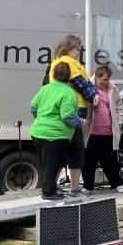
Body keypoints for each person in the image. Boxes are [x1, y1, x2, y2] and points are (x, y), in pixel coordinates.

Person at [49, 35, 99, 196]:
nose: (79, 52)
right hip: (74, 108)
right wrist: (94, 95)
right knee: (76, 151)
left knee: (60, 152)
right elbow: (82, 83)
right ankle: (75, 188)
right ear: (70, 48)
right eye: (78, 49)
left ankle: (52, 185)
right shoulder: (68, 62)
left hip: (60, 109)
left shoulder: (56, 62)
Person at [30, 60, 81, 200]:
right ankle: (49, 192)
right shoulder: (69, 93)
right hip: (56, 134)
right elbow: (68, 116)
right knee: (53, 165)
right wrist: (81, 122)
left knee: (44, 164)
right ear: (69, 76)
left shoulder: (45, 89)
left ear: (53, 73)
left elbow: (33, 108)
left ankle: (47, 189)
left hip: (37, 131)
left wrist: (41, 119)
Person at [84, 64, 123, 193]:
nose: (107, 82)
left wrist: (118, 123)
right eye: (104, 80)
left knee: (111, 160)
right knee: (89, 161)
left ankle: (116, 183)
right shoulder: (88, 87)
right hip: (92, 131)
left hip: (108, 131)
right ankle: (88, 185)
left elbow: (119, 107)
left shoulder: (112, 89)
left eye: (109, 79)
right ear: (97, 77)